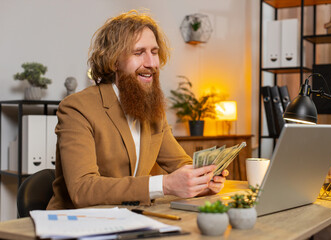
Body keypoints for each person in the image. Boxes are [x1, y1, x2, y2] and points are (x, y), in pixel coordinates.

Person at [47, 10, 228, 210]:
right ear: (114, 61)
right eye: (139, 52)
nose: (151, 63)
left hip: (131, 220)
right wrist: (165, 185)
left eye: (154, 52)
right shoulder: (76, 108)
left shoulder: (153, 110)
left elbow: (179, 164)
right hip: (76, 224)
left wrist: (202, 180)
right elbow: (82, 189)